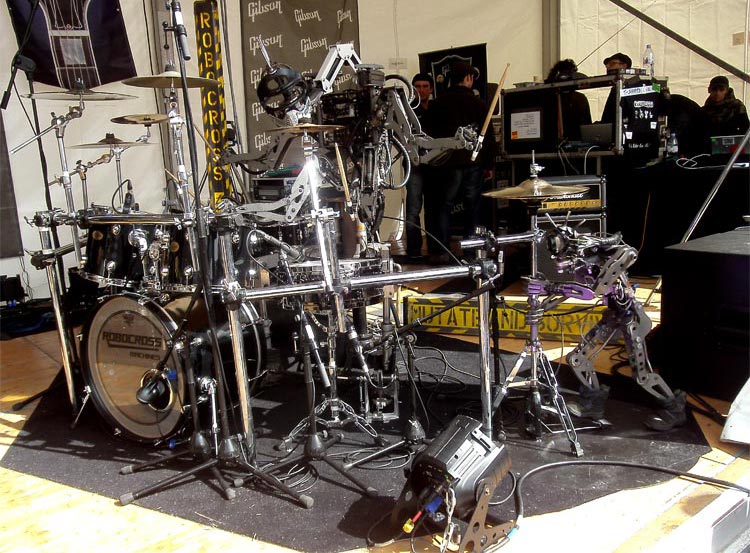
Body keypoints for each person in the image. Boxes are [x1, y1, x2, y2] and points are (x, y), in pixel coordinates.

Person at [426, 60, 495, 264]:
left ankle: (443, 251)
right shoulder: (478, 103)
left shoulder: (438, 104)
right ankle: (471, 252)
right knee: (473, 207)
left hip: (447, 163)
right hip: (473, 163)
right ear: (468, 78)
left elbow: (429, 136)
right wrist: (489, 164)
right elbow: (488, 137)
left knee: (444, 207)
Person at [404, 73, 437, 261]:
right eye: (417, 86)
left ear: (431, 89)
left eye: (425, 86)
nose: (421, 90)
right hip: (414, 164)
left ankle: (435, 248)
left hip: (434, 165)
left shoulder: (437, 108)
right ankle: (414, 250)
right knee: (413, 208)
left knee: (433, 208)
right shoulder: (407, 110)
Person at [544, 59, 592, 141]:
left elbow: (587, 125)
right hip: (554, 142)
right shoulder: (549, 98)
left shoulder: (580, 98)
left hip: (576, 142)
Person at [600, 53, 632, 124]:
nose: (608, 67)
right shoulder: (615, 88)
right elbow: (607, 117)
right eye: (607, 65)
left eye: (612, 63)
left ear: (624, 66)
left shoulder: (632, 86)